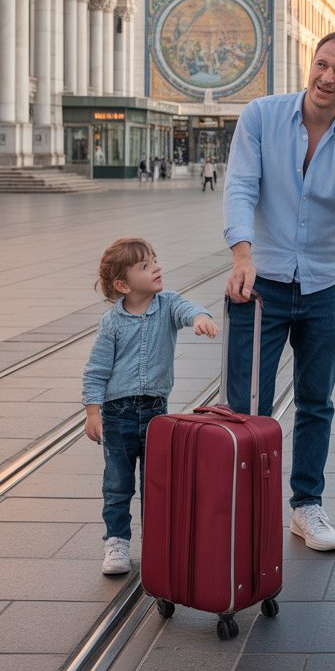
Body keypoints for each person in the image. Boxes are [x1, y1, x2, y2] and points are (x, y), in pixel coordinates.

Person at [223, 30, 335, 551]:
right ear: (310, 64)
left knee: (316, 402)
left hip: (324, 285)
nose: (327, 77)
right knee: (247, 402)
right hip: (260, 281)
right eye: (322, 65)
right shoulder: (260, 115)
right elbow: (241, 185)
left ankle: (306, 506)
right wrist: (241, 253)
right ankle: (241, 501)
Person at [82, 238, 219, 575]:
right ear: (123, 285)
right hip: (117, 414)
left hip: (157, 413)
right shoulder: (111, 323)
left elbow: (188, 309)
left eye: (155, 260)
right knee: (117, 484)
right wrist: (92, 411)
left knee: (156, 484)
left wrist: (201, 317)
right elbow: (96, 369)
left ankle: (157, 543)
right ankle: (116, 541)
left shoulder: (167, 303)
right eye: (145, 266)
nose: (157, 267)